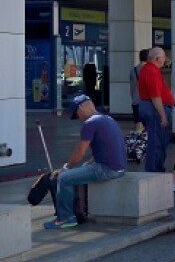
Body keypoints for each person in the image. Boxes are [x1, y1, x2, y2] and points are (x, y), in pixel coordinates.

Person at [44, 94, 126, 229]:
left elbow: (80, 152)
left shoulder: (90, 123)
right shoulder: (108, 119)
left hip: (107, 169)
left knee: (64, 178)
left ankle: (66, 218)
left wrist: (65, 168)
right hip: (120, 168)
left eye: (77, 115)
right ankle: (83, 210)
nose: (79, 119)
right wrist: (90, 161)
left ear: (81, 108)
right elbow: (109, 147)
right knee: (83, 168)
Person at [138, 47, 175, 173]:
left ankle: (156, 168)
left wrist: (172, 101)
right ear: (157, 59)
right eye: (164, 58)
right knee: (157, 142)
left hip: (151, 107)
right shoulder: (152, 71)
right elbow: (155, 96)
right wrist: (163, 115)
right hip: (154, 110)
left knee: (159, 141)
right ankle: (154, 170)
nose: (165, 60)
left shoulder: (148, 70)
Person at [128, 48, 149, 132]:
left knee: (138, 126)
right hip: (147, 102)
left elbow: (131, 87)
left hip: (136, 101)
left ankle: (137, 143)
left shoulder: (133, 70)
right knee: (148, 127)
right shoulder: (149, 70)